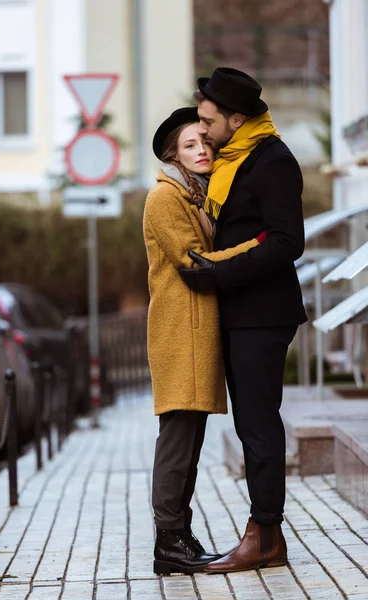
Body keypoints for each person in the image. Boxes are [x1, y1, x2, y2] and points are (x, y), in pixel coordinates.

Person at [179, 67, 308, 574]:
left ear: (237, 117)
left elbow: (286, 241)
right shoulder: (234, 159)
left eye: (209, 120)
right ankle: (263, 532)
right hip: (241, 312)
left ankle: (265, 535)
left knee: (258, 427)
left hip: (262, 312)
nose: (204, 130)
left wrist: (219, 273)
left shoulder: (272, 160)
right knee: (251, 424)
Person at [143, 107, 267, 576]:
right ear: (174, 153)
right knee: (177, 442)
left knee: (188, 443)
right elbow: (194, 260)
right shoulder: (164, 197)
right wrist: (256, 245)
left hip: (196, 332)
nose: (202, 151)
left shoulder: (194, 194)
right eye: (191, 145)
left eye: (206, 143)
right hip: (180, 332)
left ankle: (179, 537)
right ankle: (168, 542)